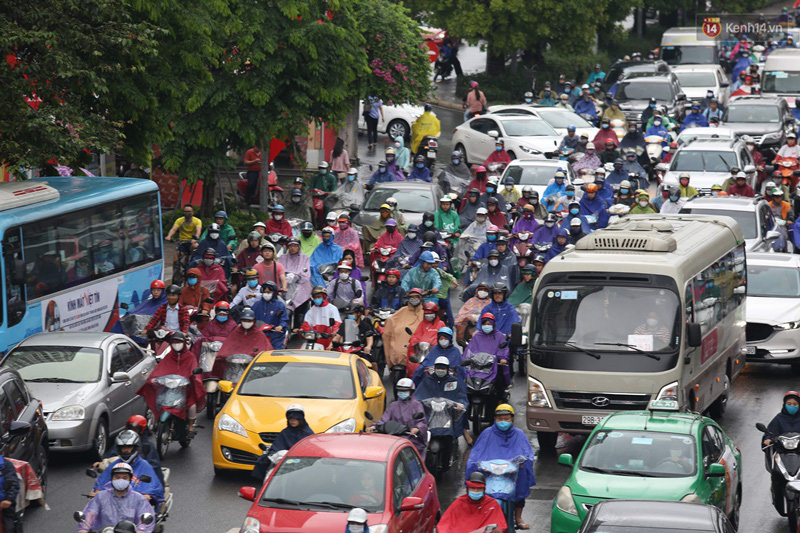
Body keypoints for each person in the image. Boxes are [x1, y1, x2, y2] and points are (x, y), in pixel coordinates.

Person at [466, 404, 536, 531]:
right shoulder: (486, 434)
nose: (503, 421)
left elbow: (528, 454)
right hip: (490, 474)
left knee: (521, 481)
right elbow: (475, 454)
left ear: (512, 419)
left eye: (506, 418)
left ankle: (518, 517)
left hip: (512, 473)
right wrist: (476, 465)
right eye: (500, 419)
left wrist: (522, 464)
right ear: (495, 419)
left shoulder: (519, 434)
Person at [138, 332, 205, 434]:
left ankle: (191, 426)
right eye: (174, 342)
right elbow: (160, 369)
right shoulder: (169, 356)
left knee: (191, 406)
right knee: (159, 402)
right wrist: (154, 379)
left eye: (178, 342)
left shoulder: (190, 356)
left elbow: (194, 370)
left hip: (185, 390)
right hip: (169, 390)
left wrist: (194, 379)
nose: (176, 344)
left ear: (183, 343)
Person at [79, 463, 154, 533]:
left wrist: (141, 530)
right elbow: (91, 514)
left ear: (130, 480)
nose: (121, 480)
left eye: (125, 478)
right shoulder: (100, 497)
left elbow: (143, 519)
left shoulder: (139, 499)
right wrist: (84, 529)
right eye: (117, 477)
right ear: (112, 478)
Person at [92, 430, 163, 502]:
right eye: (123, 447)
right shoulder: (114, 465)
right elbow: (102, 482)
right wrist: (97, 492)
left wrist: (147, 495)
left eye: (129, 447)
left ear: (135, 447)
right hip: (114, 503)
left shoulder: (145, 466)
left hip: (137, 507)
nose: (126, 450)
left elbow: (152, 486)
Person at [251, 405, 314, 482]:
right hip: (283, 460)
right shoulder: (285, 432)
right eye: (290, 419)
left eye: (296, 419)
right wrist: (272, 454)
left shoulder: (307, 433)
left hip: (301, 461)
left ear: (301, 419)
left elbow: (311, 450)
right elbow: (277, 447)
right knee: (263, 461)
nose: (293, 421)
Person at [367, 378, 428, 457]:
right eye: (400, 391)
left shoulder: (417, 405)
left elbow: (422, 421)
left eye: (405, 391)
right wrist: (374, 426)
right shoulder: (393, 405)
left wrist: (417, 428)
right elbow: (384, 419)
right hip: (393, 437)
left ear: (411, 391)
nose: (402, 393)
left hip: (411, 438)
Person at [438, 472, 508, 533]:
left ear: (484, 489)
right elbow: (444, 525)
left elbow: (500, 527)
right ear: (467, 489)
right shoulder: (459, 503)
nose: (476, 491)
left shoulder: (492, 504)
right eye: (472, 488)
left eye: (479, 489)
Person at [249, 281, 289, 349]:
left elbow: (284, 319)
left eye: (269, 292)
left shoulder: (279, 305)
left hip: (276, 336)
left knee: (276, 355)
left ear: (274, 293)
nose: (266, 294)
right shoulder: (257, 305)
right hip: (259, 335)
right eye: (265, 292)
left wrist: (280, 326)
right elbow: (250, 317)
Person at [277, 237, 312, 313]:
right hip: (284, 282)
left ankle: (293, 307)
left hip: (299, 282)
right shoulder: (282, 258)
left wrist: (295, 276)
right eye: (291, 246)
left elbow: (306, 273)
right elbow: (278, 271)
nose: (293, 248)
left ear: (299, 247)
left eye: (295, 246)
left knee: (305, 286)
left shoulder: (304, 258)